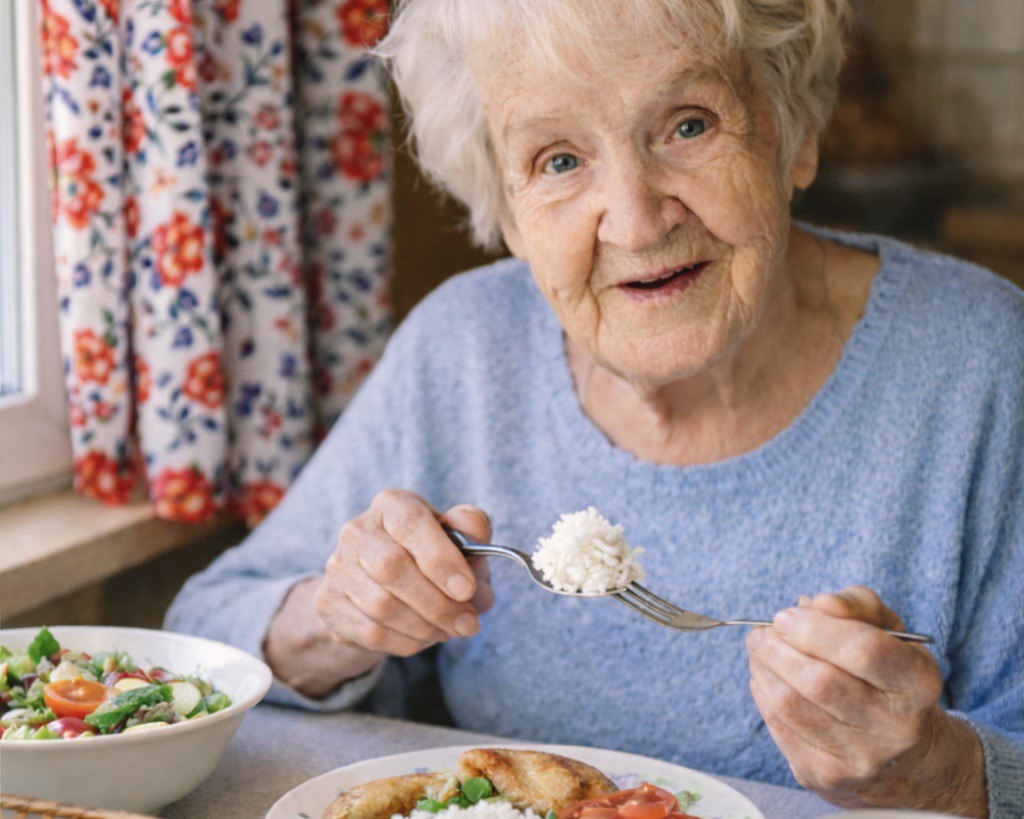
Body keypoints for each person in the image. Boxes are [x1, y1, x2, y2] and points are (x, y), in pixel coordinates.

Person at [165, 0, 1024, 815]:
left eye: (689, 124)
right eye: (560, 160)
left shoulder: (981, 366)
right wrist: (337, 617)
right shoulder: (464, 350)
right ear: (505, 209)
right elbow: (206, 631)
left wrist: (940, 770)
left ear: (794, 135)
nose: (638, 222)